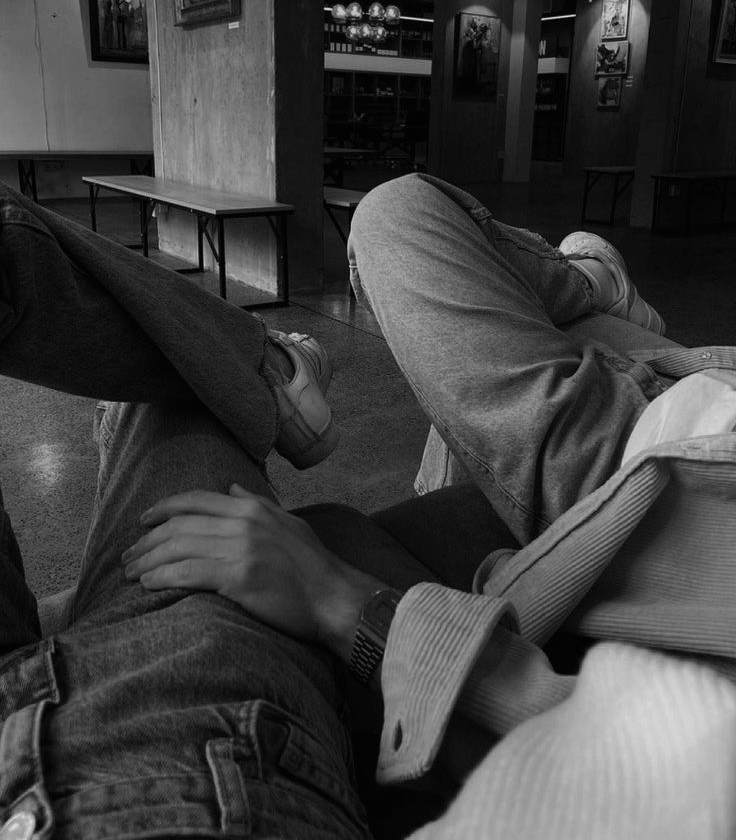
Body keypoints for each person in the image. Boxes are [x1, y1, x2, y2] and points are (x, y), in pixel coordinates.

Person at [3, 173, 736, 839]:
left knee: (203, 403)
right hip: (677, 455)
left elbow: (628, 764)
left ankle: (263, 370)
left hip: (168, 756)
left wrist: (353, 609)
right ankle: (583, 291)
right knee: (394, 216)